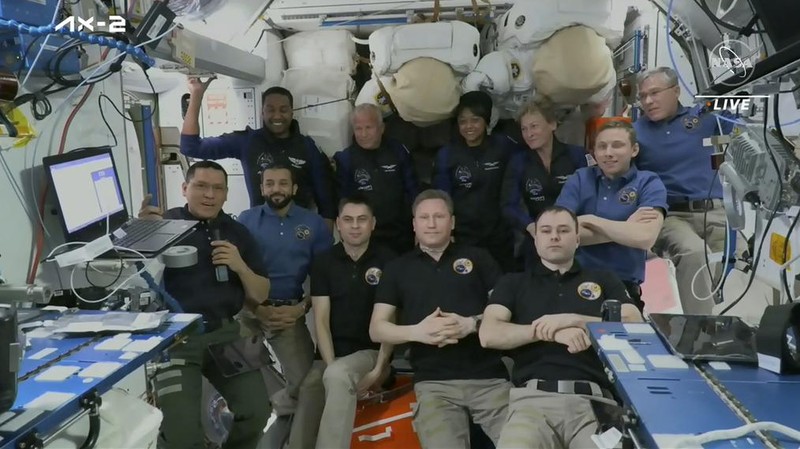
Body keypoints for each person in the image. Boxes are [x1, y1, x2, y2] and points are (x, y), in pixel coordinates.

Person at [479, 205, 643, 449]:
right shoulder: (513, 283)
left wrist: (574, 320)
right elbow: (488, 334)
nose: (554, 236)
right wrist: (550, 332)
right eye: (546, 231)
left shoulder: (604, 279)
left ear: (577, 239)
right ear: (536, 240)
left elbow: (635, 326)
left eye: (563, 230)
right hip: (532, 404)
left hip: (595, 404)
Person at [138, 161, 271, 449]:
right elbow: (129, 268)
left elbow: (260, 294)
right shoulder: (163, 225)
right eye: (201, 186)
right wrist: (140, 233)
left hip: (226, 333)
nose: (209, 194)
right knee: (182, 437)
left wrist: (240, 266)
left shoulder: (238, 233)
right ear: (185, 189)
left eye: (217, 188)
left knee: (258, 411)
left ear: (226, 194)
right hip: (176, 341)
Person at [369, 189, 511, 448]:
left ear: (452, 222)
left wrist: (471, 324)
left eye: (439, 216)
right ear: (414, 224)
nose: (431, 223)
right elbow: (377, 329)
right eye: (424, 217)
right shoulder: (398, 268)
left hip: (489, 380)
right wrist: (418, 332)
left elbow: (507, 313)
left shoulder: (479, 258)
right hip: (434, 384)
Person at [236, 164, 334, 445]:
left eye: (282, 183)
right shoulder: (246, 220)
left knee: (306, 385)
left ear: (294, 188)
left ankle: (284, 434)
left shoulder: (312, 224)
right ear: (262, 188)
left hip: (289, 313)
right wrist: (257, 309)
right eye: (269, 183)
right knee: (238, 375)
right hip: (248, 311)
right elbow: (234, 273)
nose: (275, 189)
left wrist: (301, 309)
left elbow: (324, 277)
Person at [290, 194, 397, 449]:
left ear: (373, 223)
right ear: (338, 223)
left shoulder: (390, 261)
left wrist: (378, 371)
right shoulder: (324, 262)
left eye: (362, 219)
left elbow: (392, 321)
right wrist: (330, 366)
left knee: (338, 375)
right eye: (348, 219)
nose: (355, 225)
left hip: (371, 353)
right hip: (329, 356)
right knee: (310, 390)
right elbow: (322, 322)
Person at [633, 66, 741, 314]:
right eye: (643, 96)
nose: (648, 101)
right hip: (669, 216)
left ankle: (737, 327)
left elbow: (743, 115)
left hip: (713, 212)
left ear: (676, 91)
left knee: (743, 258)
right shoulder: (636, 133)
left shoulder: (705, 116)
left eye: (655, 93)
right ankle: (702, 333)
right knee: (693, 252)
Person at [180, 78, 337, 226]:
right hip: (258, 232)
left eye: (283, 110)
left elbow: (326, 200)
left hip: (300, 233)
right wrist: (196, 95)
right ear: (262, 112)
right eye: (270, 110)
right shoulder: (247, 142)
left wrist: (326, 243)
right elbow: (191, 147)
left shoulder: (308, 147)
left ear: (291, 112)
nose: (277, 115)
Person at [555, 120, 668, 309]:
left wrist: (590, 220)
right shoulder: (580, 179)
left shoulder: (648, 183)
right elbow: (559, 234)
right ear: (594, 152)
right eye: (602, 146)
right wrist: (626, 228)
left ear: (634, 150)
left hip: (623, 285)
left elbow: (645, 237)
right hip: (574, 279)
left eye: (617, 145)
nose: (608, 153)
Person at [433, 91, 518, 272]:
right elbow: (441, 199)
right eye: (463, 121)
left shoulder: (503, 147)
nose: (468, 126)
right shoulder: (447, 155)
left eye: (475, 120)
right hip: (464, 236)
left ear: (486, 120)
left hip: (499, 234)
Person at [502, 97, 589, 270]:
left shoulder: (577, 156)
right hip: (537, 239)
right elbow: (508, 205)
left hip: (576, 239)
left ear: (552, 124)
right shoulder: (518, 162)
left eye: (534, 126)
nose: (529, 134)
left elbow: (590, 197)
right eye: (524, 129)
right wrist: (530, 226)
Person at [333, 104, 419, 254]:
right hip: (365, 237)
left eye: (368, 127)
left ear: (382, 128)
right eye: (358, 129)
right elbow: (342, 201)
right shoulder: (346, 159)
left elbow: (413, 190)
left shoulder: (398, 151)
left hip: (400, 235)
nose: (363, 134)